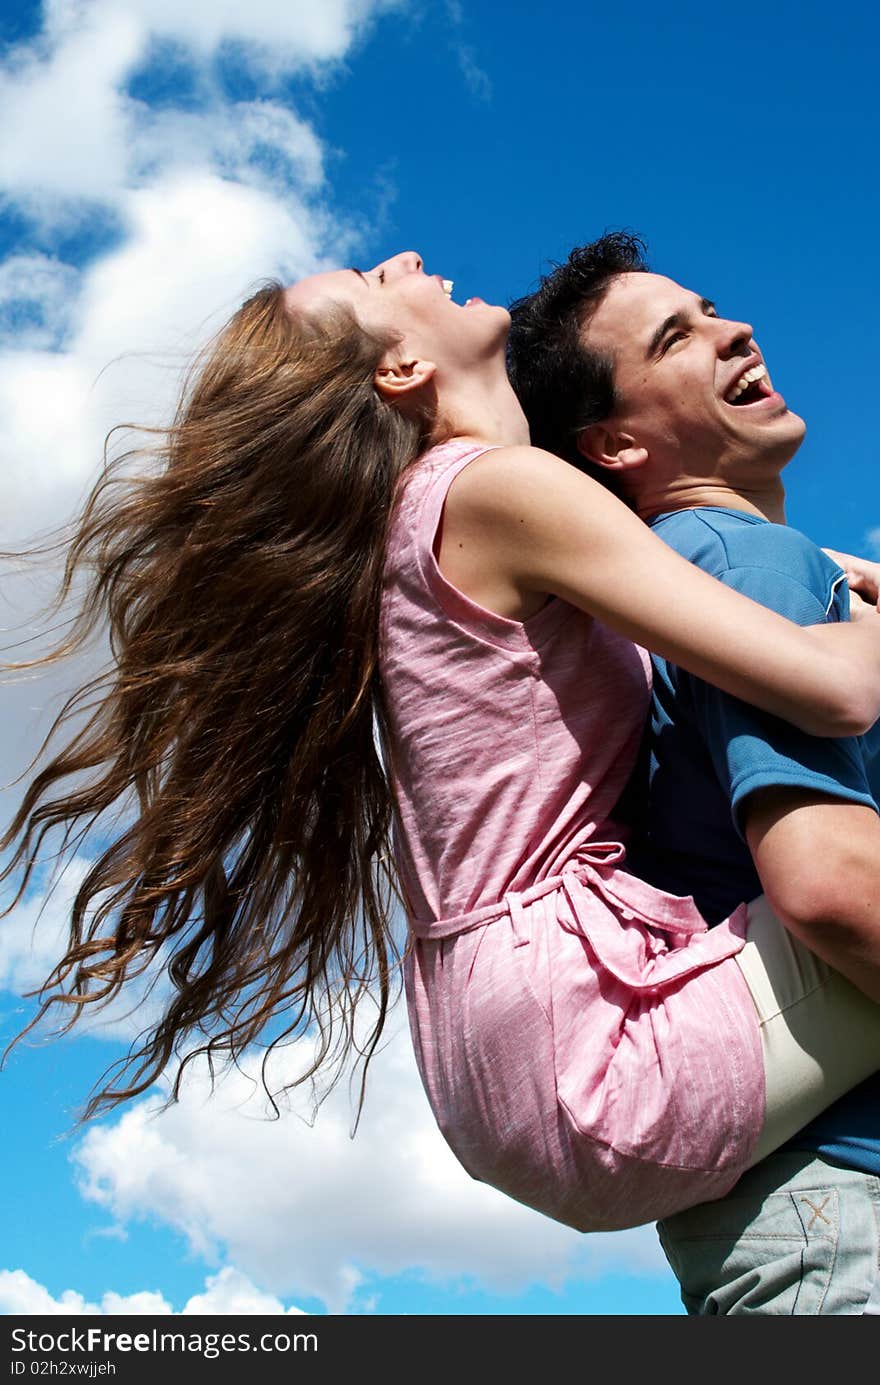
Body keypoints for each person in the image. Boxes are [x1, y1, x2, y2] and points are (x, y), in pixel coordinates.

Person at [3, 251, 880, 1240]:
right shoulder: (494, 491)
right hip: (597, 1047)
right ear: (400, 371)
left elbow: (683, 586)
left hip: (510, 1053)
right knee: (853, 898)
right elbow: (840, 686)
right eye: (377, 286)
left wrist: (831, 573)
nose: (405, 260)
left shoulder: (437, 523)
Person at [505, 232, 880, 1311]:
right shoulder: (742, 556)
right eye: (677, 335)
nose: (736, 329)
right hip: (844, 1205)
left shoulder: (688, 589)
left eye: (712, 308)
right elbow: (832, 886)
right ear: (615, 443)